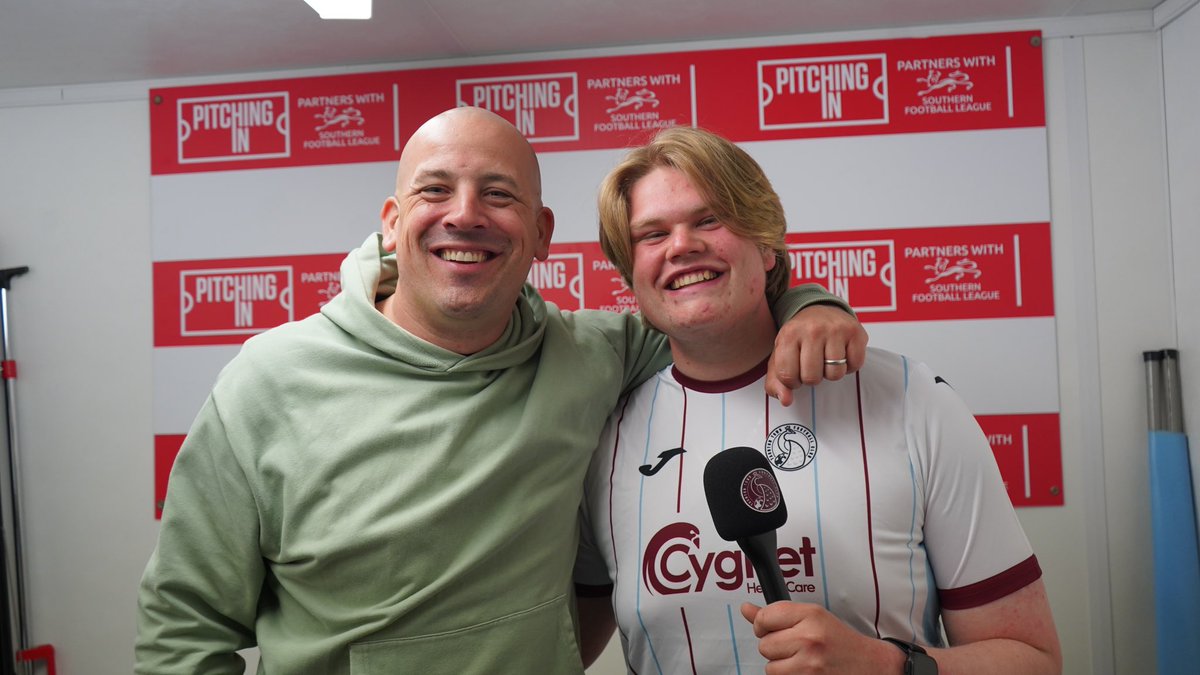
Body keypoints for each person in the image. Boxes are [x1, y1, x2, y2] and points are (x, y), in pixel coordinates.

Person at [134, 107, 868, 674]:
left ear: (542, 232)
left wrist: (810, 305)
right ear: (392, 224)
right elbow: (184, 627)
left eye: (497, 194)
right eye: (434, 189)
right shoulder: (267, 380)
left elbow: (710, 314)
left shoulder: (592, 353)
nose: (464, 215)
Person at [573, 126, 1062, 674]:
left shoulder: (911, 400)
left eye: (709, 219)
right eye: (651, 234)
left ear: (767, 245)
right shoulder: (601, 438)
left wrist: (886, 667)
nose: (681, 245)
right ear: (629, 273)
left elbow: (1034, 660)